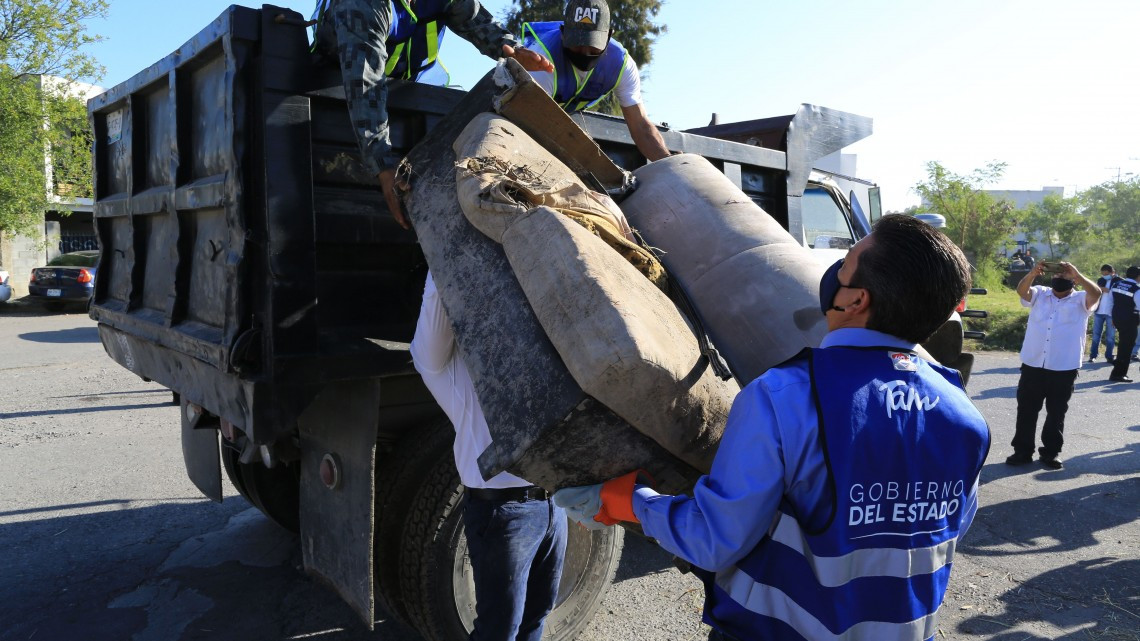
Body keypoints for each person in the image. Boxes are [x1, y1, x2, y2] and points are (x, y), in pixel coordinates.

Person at [554, 215, 991, 641]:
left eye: (844, 265)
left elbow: (714, 540)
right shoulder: (965, 415)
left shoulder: (786, 396)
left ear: (854, 301)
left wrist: (629, 501)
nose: (833, 272)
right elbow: (939, 530)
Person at [410, 272, 567, 640]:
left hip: (552, 506)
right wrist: (443, 255)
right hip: (504, 515)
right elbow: (439, 294)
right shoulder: (445, 367)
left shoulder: (525, 353)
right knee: (499, 631)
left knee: (536, 617)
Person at [310, 0, 554, 229]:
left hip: (412, 89)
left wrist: (512, 49)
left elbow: (475, 19)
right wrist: (382, 166)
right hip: (337, 92)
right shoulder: (362, 5)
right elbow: (365, 86)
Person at [520, 0, 670, 161]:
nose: (585, 52)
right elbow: (534, 124)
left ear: (608, 37)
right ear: (563, 34)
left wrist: (670, 163)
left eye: (593, 44)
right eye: (577, 43)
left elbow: (640, 126)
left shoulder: (620, 64)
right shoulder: (541, 61)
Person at [1007, 260, 1100, 469]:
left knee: (1056, 413)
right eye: (1057, 274)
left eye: (1065, 275)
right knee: (1027, 410)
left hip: (1064, 367)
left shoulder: (1081, 299)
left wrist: (1077, 274)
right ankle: (1022, 451)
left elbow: (1096, 293)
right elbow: (1021, 291)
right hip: (1033, 364)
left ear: (1074, 280)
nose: (1059, 277)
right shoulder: (1040, 293)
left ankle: (1051, 453)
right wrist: (1032, 273)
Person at [1108, 265, 1140, 383]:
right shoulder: (1136, 289)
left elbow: (1110, 302)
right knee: (1126, 347)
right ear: (1138, 276)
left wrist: (1112, 317)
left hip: (1117, 318)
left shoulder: (1116, 284)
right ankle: (1118, 374)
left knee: (1123, 345)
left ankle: (1118, 366)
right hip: (1130, 320)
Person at [1089, 264, 1116, 363]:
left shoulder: (1119, 281)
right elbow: (1094, 292)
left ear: (1112, 272)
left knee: (1110, 336)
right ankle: (1093, 355)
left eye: (1106, 274)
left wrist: (1108, 291)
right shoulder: (1100, 280)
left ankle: (1109, 356)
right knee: (1096, 335)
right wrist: (1099, 289)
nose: (1104, 276)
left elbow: (1119, 296)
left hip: (1111, 313)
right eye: (1103, 274)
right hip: (1099, 312)